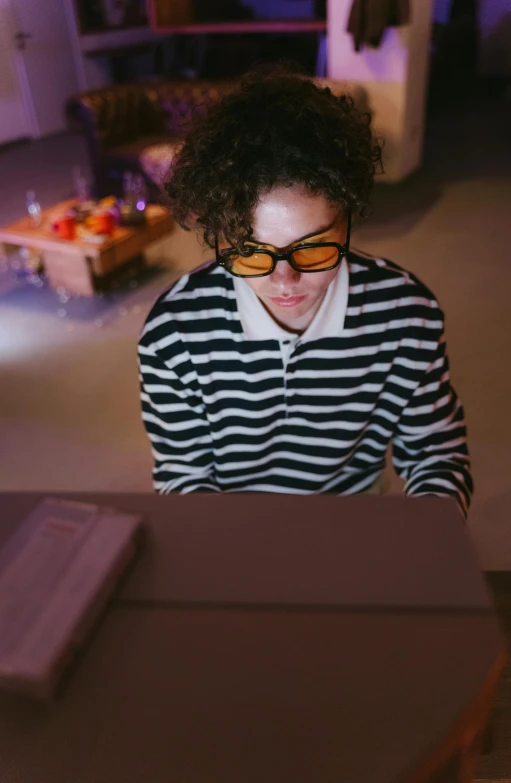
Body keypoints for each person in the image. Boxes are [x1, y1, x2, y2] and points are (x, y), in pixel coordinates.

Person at [138, 68, 473, 516]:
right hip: (231, 526)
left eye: (312, 249)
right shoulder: (174, 330)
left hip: (354, 518)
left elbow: (435, 453)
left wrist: (431, 530)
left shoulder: (407, 314)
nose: (284, 280)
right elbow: (182, 472)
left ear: (349, 221)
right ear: (217, 235)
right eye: (250, 252)